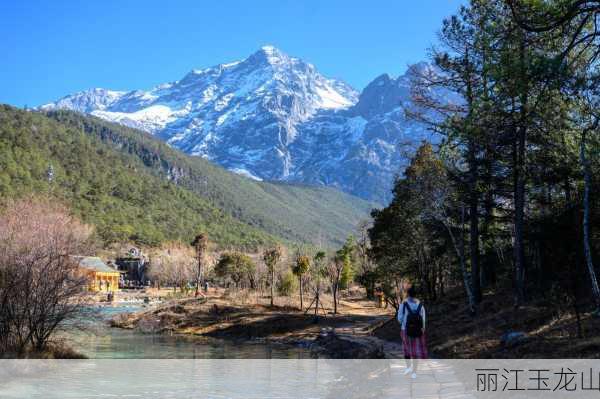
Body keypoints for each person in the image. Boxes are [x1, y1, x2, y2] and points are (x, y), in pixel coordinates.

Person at [397, 286, 427, 379]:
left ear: (408, 293)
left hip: (405, 330)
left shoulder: (404, 303)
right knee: (415, 351)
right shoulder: (420, 304)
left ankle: (408, 367)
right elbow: (423, 319)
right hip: (418, 331)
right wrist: (422, 329)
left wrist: (403, 323)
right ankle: (414, 372)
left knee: (406, 349)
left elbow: (400, 318)